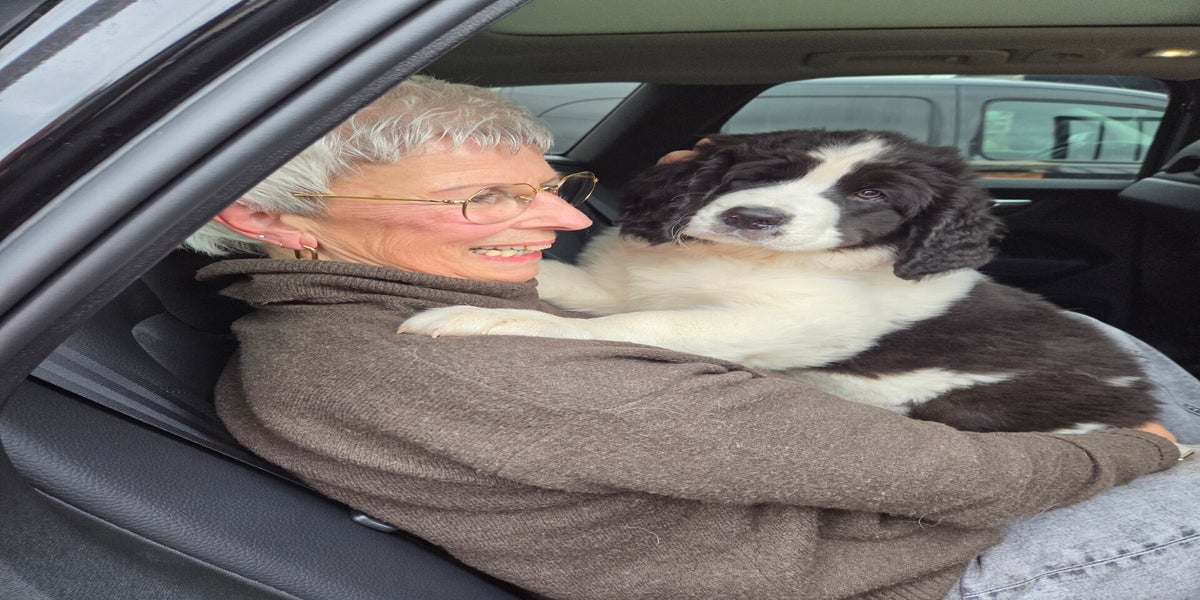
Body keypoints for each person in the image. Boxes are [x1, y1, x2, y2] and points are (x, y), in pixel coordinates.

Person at [187, 75, 1200, 600]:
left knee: (1089, 335)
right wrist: (1134, 454)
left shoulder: (353, 317)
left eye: (549, 186)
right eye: (482, 199)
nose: (565, 220)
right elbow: (953, 480)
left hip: (835, 507)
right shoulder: (471, 369)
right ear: (265, 217)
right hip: (899, 572)